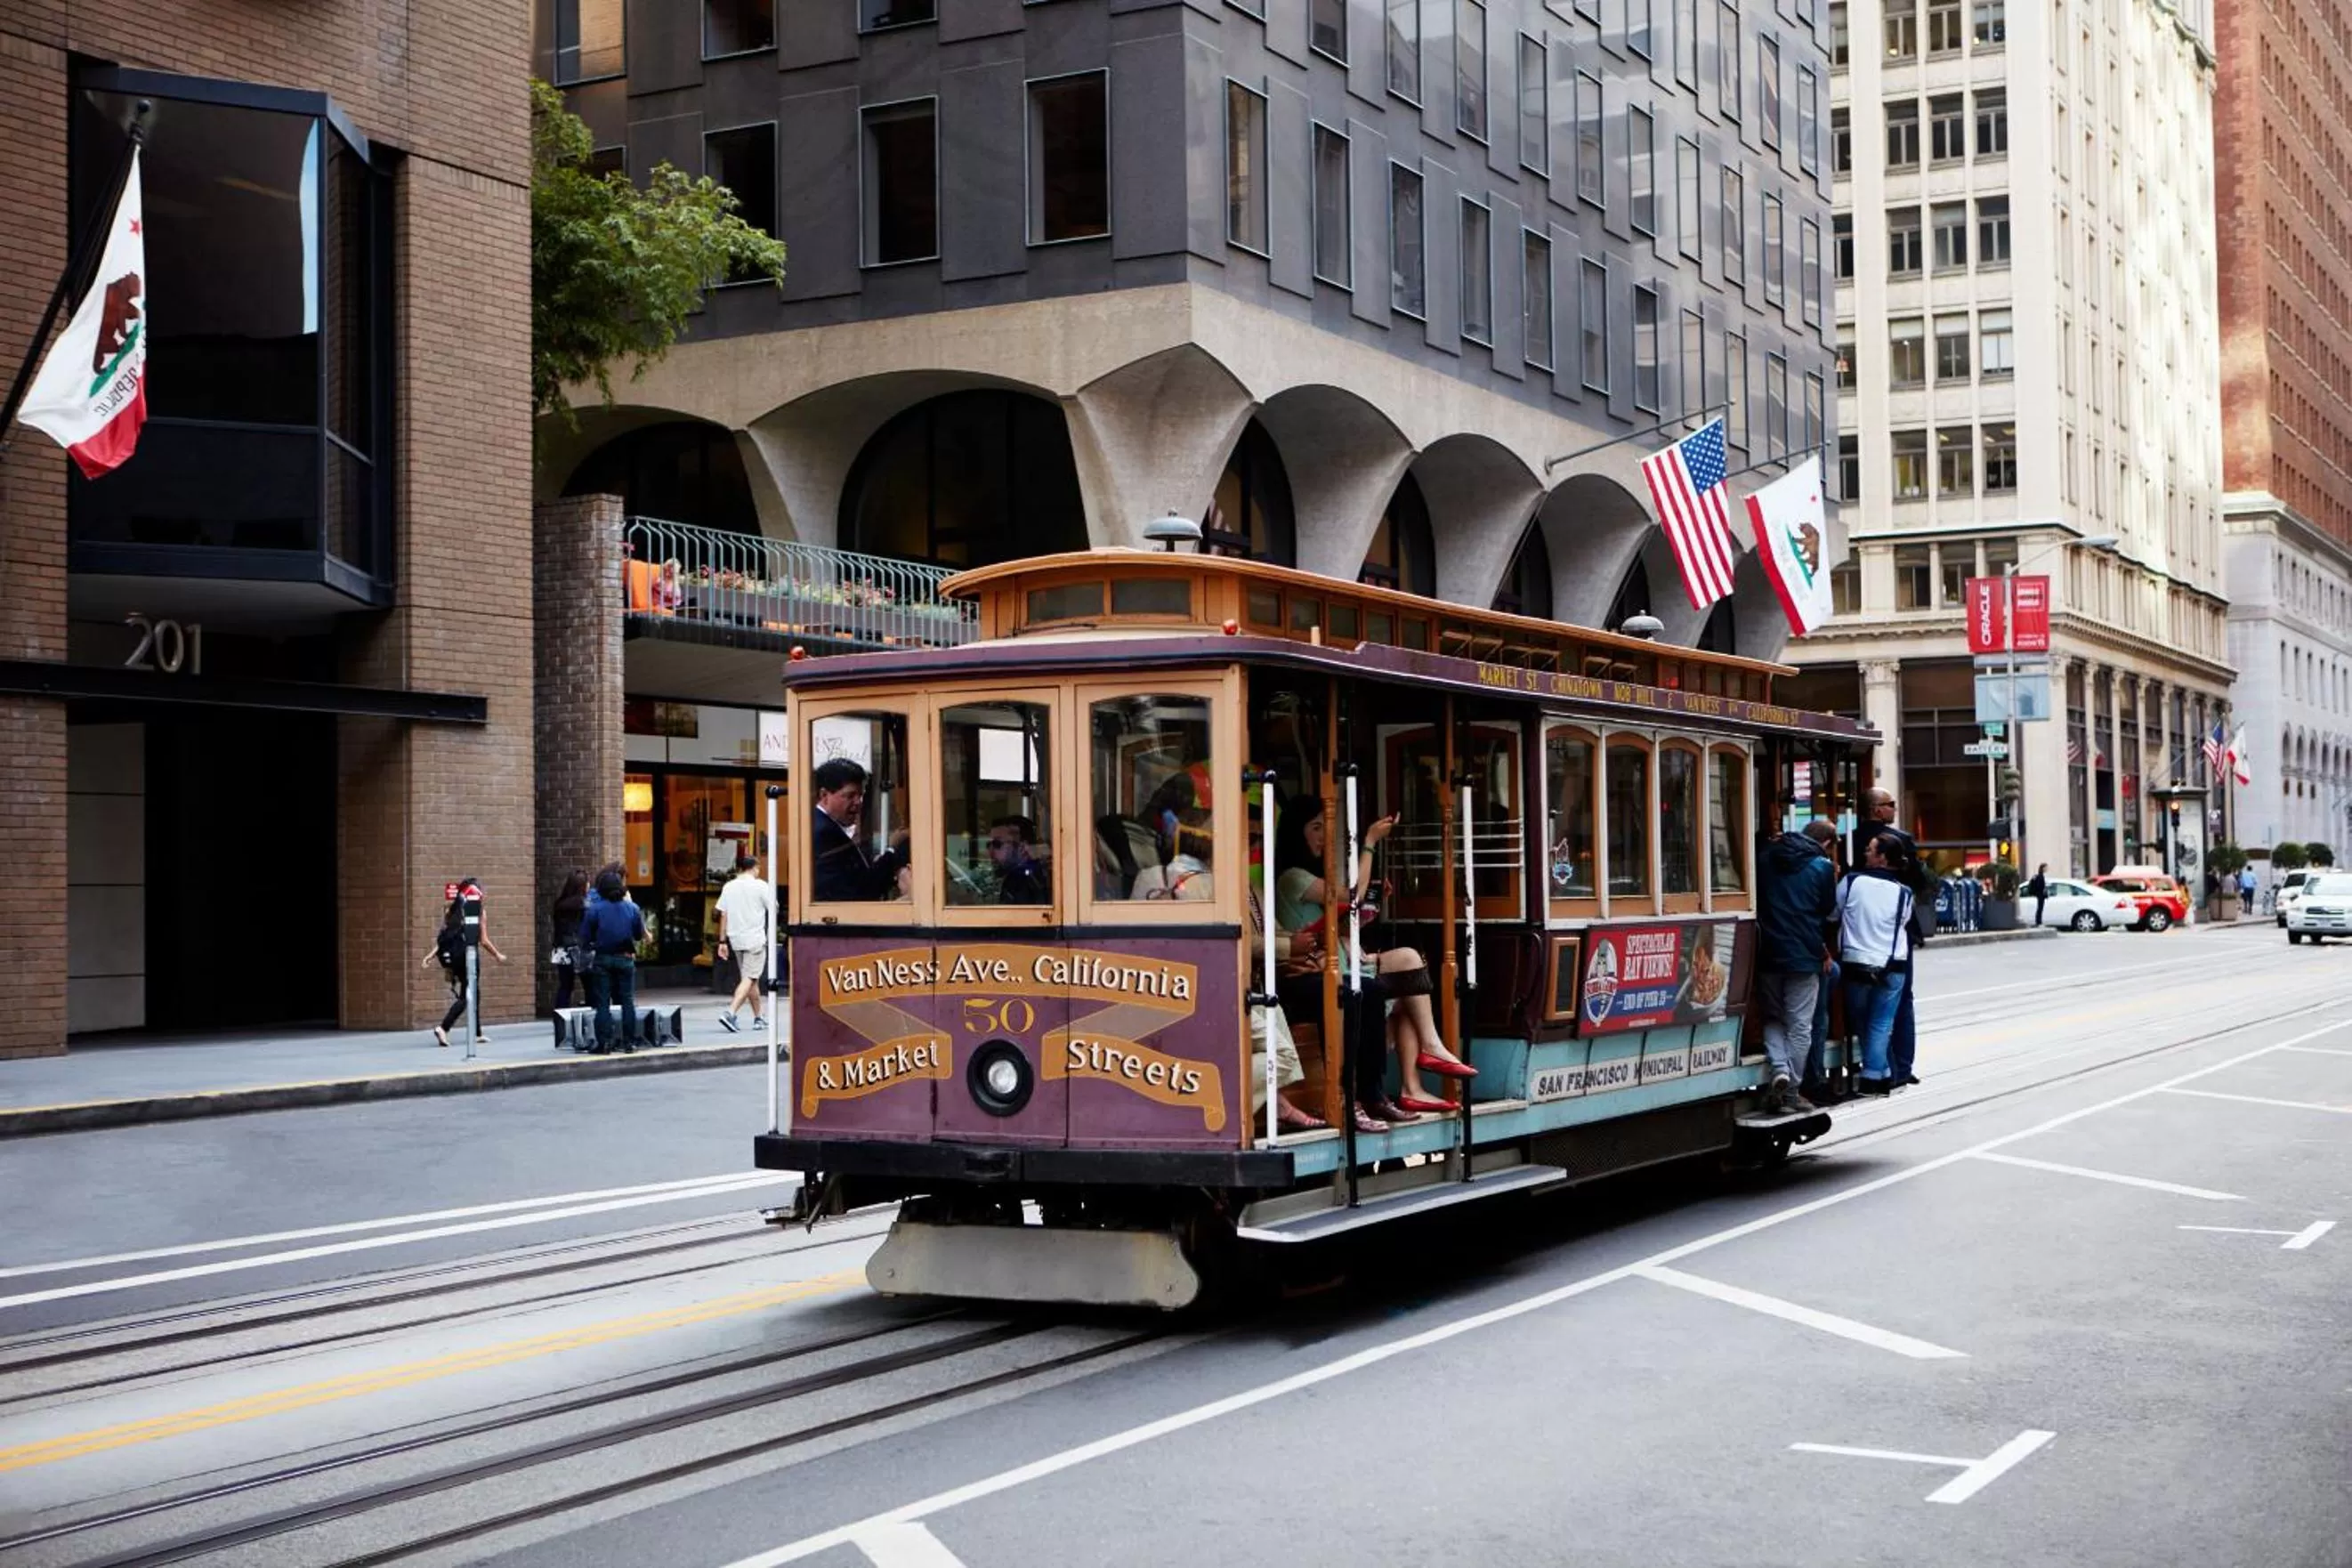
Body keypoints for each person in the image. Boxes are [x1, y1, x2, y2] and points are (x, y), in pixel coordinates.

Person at [1274, 795, 1473, 1119]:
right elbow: (1354, 895)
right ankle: (1417, 1068)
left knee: (1411, 971)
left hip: (1345, 961)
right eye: (1315, 828)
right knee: (1399, 988)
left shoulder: (1311, 877)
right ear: (1297, 833)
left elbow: (1342, 918)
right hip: (1326, 971)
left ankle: (1418, 1075)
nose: (1323, 835)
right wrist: (1369, 842)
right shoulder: (1292, 877)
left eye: (1325, 827)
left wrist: (1361, 922)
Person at [1758, 820, 1839, 1114]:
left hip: (1768, 950)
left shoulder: (1767, 858)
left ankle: (1779, 1069)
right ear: (1827, 843)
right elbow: (1828, 910)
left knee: (1773, 1016)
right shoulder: (1822, 867)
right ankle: (1792, 1088)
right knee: (1800, 1025)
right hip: (1805, 954)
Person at [1836, 834, 1913, 1095]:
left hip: (1857, 963)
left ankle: (1873, 1075)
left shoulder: (1851, 882)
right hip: (1893, 966)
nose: (1865, 853)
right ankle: (1880, 1074)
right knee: (1881, 1023)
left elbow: (1834, 913)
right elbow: (1903, 922)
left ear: (1881, 857)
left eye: (1870, 849)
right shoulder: (1904, 893)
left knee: (1861, 1021)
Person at [419, 880, 506, 1049]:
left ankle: (477, 1033)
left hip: (455, 958)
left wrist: (430, 956)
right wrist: (497, 955)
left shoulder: (453, 911)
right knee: (467, 996)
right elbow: (484, 940)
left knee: (475, 993)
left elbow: (444, 939)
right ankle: (444, 1027)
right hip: (469, 957)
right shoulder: (478, 910)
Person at [812, 757, 909, 901]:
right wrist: (892, 849)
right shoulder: (824, 833)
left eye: (861, 795)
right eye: (850, 796)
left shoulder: (827, 827)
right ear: (824, 795)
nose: (858, 802)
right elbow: (860, 891)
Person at [578, 863, 648, 1054]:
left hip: (603, 958)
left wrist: (593, 944)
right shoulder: (632, 908)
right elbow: (638, 935)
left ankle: (605, 1043)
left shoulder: (594, 910)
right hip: (625, 958)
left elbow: (585, 937)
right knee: (627, 1001)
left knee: (602, 1002)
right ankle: (629, 1042)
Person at [714, 853, 777, 1034]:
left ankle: (759, 1017)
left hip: (736, 939)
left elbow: (723, 914)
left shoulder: (729, 886)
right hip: (755, 939)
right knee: (750, 978)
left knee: (750, 979)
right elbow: (774, 908)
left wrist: (722, 941)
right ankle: (730, 1012)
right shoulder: (760, 886)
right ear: (755, 867)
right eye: (758, 868)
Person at [987, 816, 1053, 905]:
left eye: (997, 844)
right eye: (988, 845)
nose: (990, 852)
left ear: (1022, 847)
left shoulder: (1022, 881)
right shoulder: (1033, 875)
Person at [549, 870, 587, 1015]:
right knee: (589, 986)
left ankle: (560, 1017)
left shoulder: (560, 904)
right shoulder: (584, 904)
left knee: (565, 986)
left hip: (561, 949)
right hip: (580, 948)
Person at [2025, 862, 2050, 928]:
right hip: (2040, 895)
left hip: (2040, 895)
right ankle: (2038, 922)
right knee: (2040, 908)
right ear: (2043, 868)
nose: (2047, 869)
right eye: (2046, 868)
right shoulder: (2040, 876)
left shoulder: (2041, 876)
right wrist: (2043, 890)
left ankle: (2039, 922)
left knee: (2040, 908)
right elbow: (2039, 886)